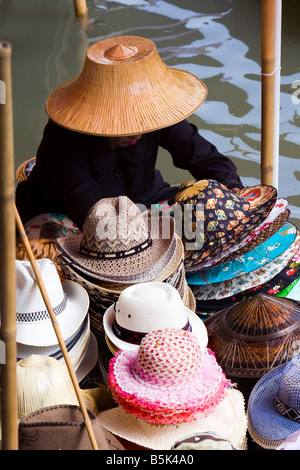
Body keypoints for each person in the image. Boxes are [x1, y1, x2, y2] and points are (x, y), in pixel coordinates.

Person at [15, 36, 243, 232]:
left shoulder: (158, 112)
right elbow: (84, 203)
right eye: (125, 125)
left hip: (144, 199)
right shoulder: (63, 134)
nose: (138, 133)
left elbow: (201, 154)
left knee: (207, 218)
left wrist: (234, 190)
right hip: (68, 212)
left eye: (142, 123)